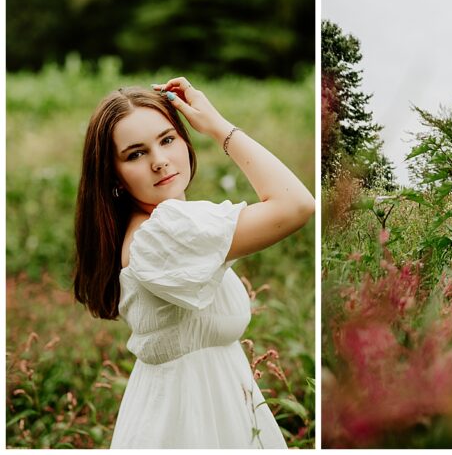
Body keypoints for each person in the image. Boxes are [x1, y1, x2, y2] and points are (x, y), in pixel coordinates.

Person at [72, 77, 315, 448]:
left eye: (167, 139)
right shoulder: (161, 234)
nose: (159, 161)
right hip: (189, 421)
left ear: (184, 142)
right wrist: (218, 126)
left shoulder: (159, 226)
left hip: (207, 407)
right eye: (135, 154)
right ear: (114, 177)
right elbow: (296, 205)